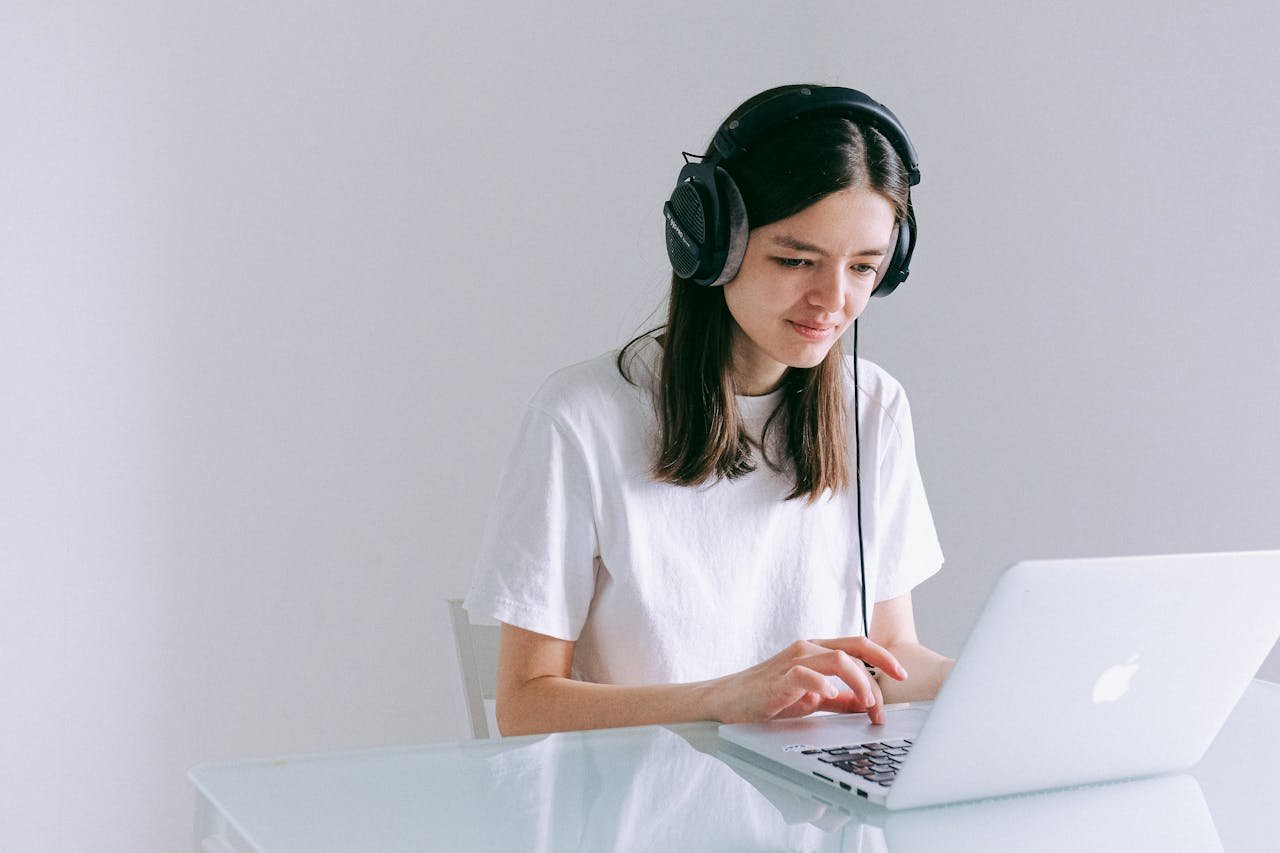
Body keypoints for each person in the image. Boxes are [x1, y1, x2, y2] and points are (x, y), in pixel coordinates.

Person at [464, 84, 953, 737]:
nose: (833, 300)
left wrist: (999, 678)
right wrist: (728, 693)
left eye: (864, 267)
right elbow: (526, 706)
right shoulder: (581, 419)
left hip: (817, 823)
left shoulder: (873, 407)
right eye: (796, 259)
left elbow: (891, 660)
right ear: (711, 242)